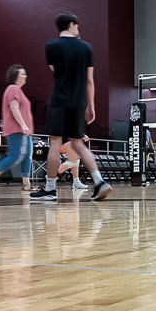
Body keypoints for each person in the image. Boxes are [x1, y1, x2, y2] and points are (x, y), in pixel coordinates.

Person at [32, 12, 110, 201]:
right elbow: (89, 81)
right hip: (78, 102)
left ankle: (50, 189)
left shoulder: (51, 46)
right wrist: (91, 105)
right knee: (78, 143)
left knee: (55, 142)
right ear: (72, 25)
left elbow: (55, 71)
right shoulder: (86, 48)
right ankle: (99, 182)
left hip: (59, 100)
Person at [0, 65, 34, 192]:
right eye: (23, 74)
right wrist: (23, 125)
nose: (25, 76)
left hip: (25, 131)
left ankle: (26, 184)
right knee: (16, 155)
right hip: (18, 130)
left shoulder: (18, 90)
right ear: (16, 76)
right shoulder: (13, 89)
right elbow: (14, 107)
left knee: (27, 156)